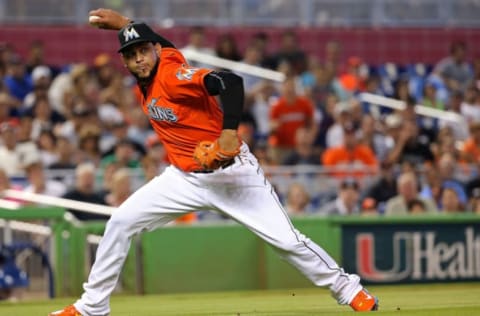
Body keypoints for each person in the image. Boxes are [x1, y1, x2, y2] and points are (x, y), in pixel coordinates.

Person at [49, 8, 378, 315]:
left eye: (143, 50)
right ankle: (92, 307)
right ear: (125, 62)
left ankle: (348, 289)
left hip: (233, 175)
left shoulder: (172, 74)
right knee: (120, 222)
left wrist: (229, 132)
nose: (139, 58)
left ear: (155, 51)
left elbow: (230, 82)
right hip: (184, 178)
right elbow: (163, 44)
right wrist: (124, 24)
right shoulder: (156, 66)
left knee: (286, 241)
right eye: (131, 55)